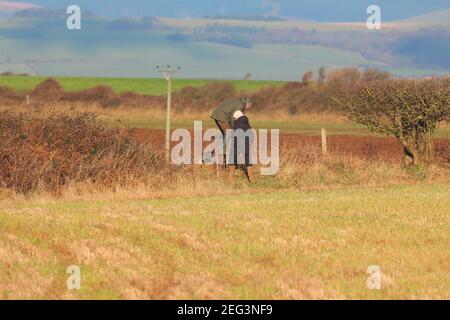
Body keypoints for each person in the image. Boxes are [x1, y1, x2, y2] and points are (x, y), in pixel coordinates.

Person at [210, 97, 252, 168]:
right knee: (229, 135)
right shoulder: (240, 106)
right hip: (221, 116)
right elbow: (233, 119)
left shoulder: (239, 103)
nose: (249, 109)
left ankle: (215, 150)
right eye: (249, 107)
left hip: (219, 115)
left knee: (226, 135)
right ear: (247, 104)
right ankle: (219, 153)